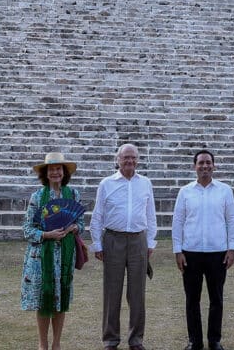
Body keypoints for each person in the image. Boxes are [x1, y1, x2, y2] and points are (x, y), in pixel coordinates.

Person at [90, 143, 158, 350]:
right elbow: (98, 215)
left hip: (138, 240)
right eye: (125, 157)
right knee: (112, 291)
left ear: (138, 160)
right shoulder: (106, 183)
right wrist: (97, 244)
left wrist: (151, 241)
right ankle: (110, 339)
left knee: (137, 292)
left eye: (133, 158)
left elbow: (151, 214)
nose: (130, 161)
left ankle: (136, 339)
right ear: (118, 159)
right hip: (113, 240)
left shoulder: (145, 183)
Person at [172, 150, 234, 350]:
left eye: (208, 162)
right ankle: (195, 341)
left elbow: (232, 220)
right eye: (201, 163)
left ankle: (214, 340)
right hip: (190, 252)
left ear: (214, 166)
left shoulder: (224, 190)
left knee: (216, 299)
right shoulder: (185, 191)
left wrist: (232, 248)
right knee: (192, 299)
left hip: (217, 252)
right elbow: (178, 222)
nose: (205, 166)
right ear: (195, 166)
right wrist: (178, 250)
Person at [21, 152, 86, 350]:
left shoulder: (73, 194)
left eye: (59, 169)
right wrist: (47, 234)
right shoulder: (37, 197)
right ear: (46, 173)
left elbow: (80, 224)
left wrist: (74, 228)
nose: (56, 172)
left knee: (61, 299)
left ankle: (57, 344)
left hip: (64, 257)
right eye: (52, 169)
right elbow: (27, 229)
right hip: (41, 257)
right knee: (44, 300)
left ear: (64, 172)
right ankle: (43, 345)